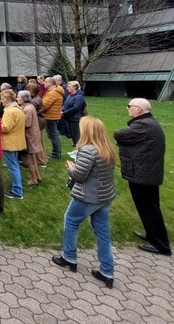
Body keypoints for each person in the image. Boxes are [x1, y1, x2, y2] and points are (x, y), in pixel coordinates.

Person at [52, 116, 117, 289]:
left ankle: (69, 257)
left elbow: (80, 176)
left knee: (71, 221)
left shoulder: (88, 150)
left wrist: (71, 168)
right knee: (102, 232)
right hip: (105, 196)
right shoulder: (107, 148)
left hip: (89, 196)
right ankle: (107, 271)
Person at [114, 98, 170, 256]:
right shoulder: (146, 123)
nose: (128, 109)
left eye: (130, 106)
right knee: (147, 207)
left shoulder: (144, 125)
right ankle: (152, 235)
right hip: (145, 172)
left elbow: (119, 134)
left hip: (144, 174)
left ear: (138, 109)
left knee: (150, 208)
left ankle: (161, 245)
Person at [0, 89, 26, 200]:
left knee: (13, 166)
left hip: (10, 142)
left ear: (7, 99)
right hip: (17, 140)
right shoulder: (18, 109)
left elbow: (5, 127)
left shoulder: (9, 111)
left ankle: (17, 191)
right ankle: (17, 186)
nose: (1, 101)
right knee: (15, 165)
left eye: (2, 99)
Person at [16, 90, 43, 185]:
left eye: (18, 97)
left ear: (24, 99)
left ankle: (34, 180)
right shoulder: (29, 107)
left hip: (30, 136)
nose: (17, 98)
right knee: (32, 158)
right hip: (32, 135)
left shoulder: (27, 108)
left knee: (30, 160)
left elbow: (27, 124)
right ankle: (37, 177)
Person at [42, 77, 64, 160]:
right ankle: (56, 152)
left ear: (50, 83)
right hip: (52, 116)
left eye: (45, 81)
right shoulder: (53, 91)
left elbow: (44, 105)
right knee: (53, 135)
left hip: (51, 116)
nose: (44, 83)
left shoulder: (53, 93)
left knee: (53, 135)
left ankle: (56, 154)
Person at [27, 83, 48, 167]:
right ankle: (43, 159)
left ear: (33, 92)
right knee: (40, 142)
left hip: (38, 122)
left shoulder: (34, 101)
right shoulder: (36, 98)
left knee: (37, 143)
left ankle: (41, 161)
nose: (27, 91)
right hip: (41, 122)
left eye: (29, 90)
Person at [61, 81, 86, 152]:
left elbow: (76, 108)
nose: (67, 88)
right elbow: (65, 105)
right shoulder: (69, 96)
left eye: (69, 86)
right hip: (69, 118)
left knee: (76, 135)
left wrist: (64, 113)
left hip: (75, 118)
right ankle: (76, 148)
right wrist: (61, 110)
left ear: (74, 87)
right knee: (72, 134)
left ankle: (80, 150)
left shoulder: (79, 97)